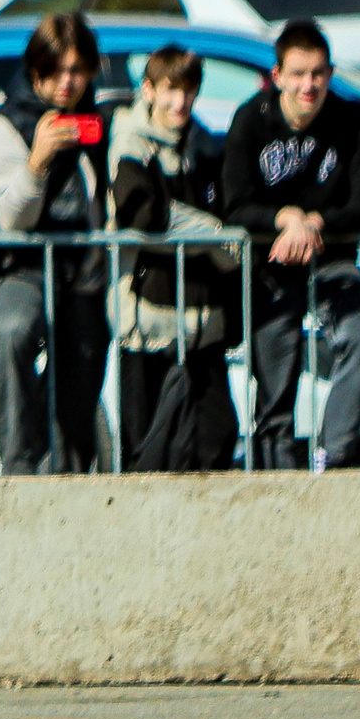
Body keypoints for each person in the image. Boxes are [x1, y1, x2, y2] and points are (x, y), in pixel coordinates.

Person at [0, 13, 111, 474]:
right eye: (57, 71)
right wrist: (37, 161)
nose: (67, 82)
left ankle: (68, 474)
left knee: (82, 362)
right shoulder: (5, 125)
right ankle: (17, 466)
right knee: (11, 333)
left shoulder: (97, 122)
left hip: (84, 271)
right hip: (23, 266)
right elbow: (8, 217)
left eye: (78, 71)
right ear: (36, 70)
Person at [222, 18, 360, 469]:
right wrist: (286, 218)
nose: (310, 85)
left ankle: (335, 451)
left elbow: (359, 204)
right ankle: (277, 478)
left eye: (319, 73)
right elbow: (234, 203)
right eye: (299, 74)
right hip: (271, 268)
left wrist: (314, 222)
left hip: (332, 261)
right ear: (277, 75)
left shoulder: (349, 120)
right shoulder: (251, 120)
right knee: (276, 378)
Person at [110, 45, 241, 470]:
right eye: (169, 90)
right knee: (146, 448)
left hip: (204, 326)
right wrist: (214, 233)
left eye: (188, 91)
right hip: (148, 325)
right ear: (147, 90)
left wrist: (220, 241)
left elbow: (229, 216)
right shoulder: (130, 143)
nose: (179, 102)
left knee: (216, 439)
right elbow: (143, 214)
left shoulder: (204, 145)